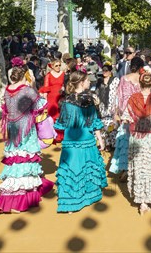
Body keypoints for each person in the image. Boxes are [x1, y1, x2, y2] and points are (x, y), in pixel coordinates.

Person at [0, 65, 54, 213]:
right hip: (26, 128)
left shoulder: (7, 89)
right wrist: (32, 87)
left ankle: (15, 192)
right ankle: (21, 197)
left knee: (15, 158)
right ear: (24, 75)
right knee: (25, 158)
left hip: (12, 129)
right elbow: (41, 105)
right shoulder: (27, 90)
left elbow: (6, 109)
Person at [55, 71, 108, 213]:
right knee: (87, 166)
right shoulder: (89, 100)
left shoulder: (66, 101)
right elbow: (94, 122)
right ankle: (89, 196)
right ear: (81, 82)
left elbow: (63, 122)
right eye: (87, 80)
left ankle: (70, 202)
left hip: (70, 139)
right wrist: (100, 139)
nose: (89, 82)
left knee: (72, 168)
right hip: (86, 139)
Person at [123, 72, 151, 214]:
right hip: (150, 137)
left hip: (137, 137)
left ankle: (142, 202)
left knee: (139, 166)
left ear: (140, 84)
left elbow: (126, 118)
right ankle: (150, 197)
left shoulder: (133, 99)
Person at [109, 56, 145, 177]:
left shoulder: (124, 78)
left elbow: (118, 96)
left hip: (125, 113)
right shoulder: (142, 79)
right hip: (138, 113)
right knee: (137, 140)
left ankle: (125, 168)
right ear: (141, 68)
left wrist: (116, 112)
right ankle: (135, 166)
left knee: (125, 139)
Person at [38, 59, 65, 142]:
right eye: (56, 65)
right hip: (51, 98)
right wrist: (45, 101)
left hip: (60, 98)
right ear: (52, 66)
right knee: (52, 116)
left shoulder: (63, 74)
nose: (58, 67)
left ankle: (61, 135)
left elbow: (66, 85)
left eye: (59, 65)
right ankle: (53, 135)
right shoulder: (48, 75)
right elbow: (45, 88)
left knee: (61, 115)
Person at [95, 63, 120, 149]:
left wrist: (117, 106)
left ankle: (112, 143)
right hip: (102, 106)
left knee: (112, 124)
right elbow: (96, 93)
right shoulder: (99, 81)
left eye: (107, 70)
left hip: (112, 105)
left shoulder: (115, 80)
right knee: (103, 124)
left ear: (110, 71)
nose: (105, 72)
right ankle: (105, 143)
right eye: (103, 70)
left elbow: (118, 93)